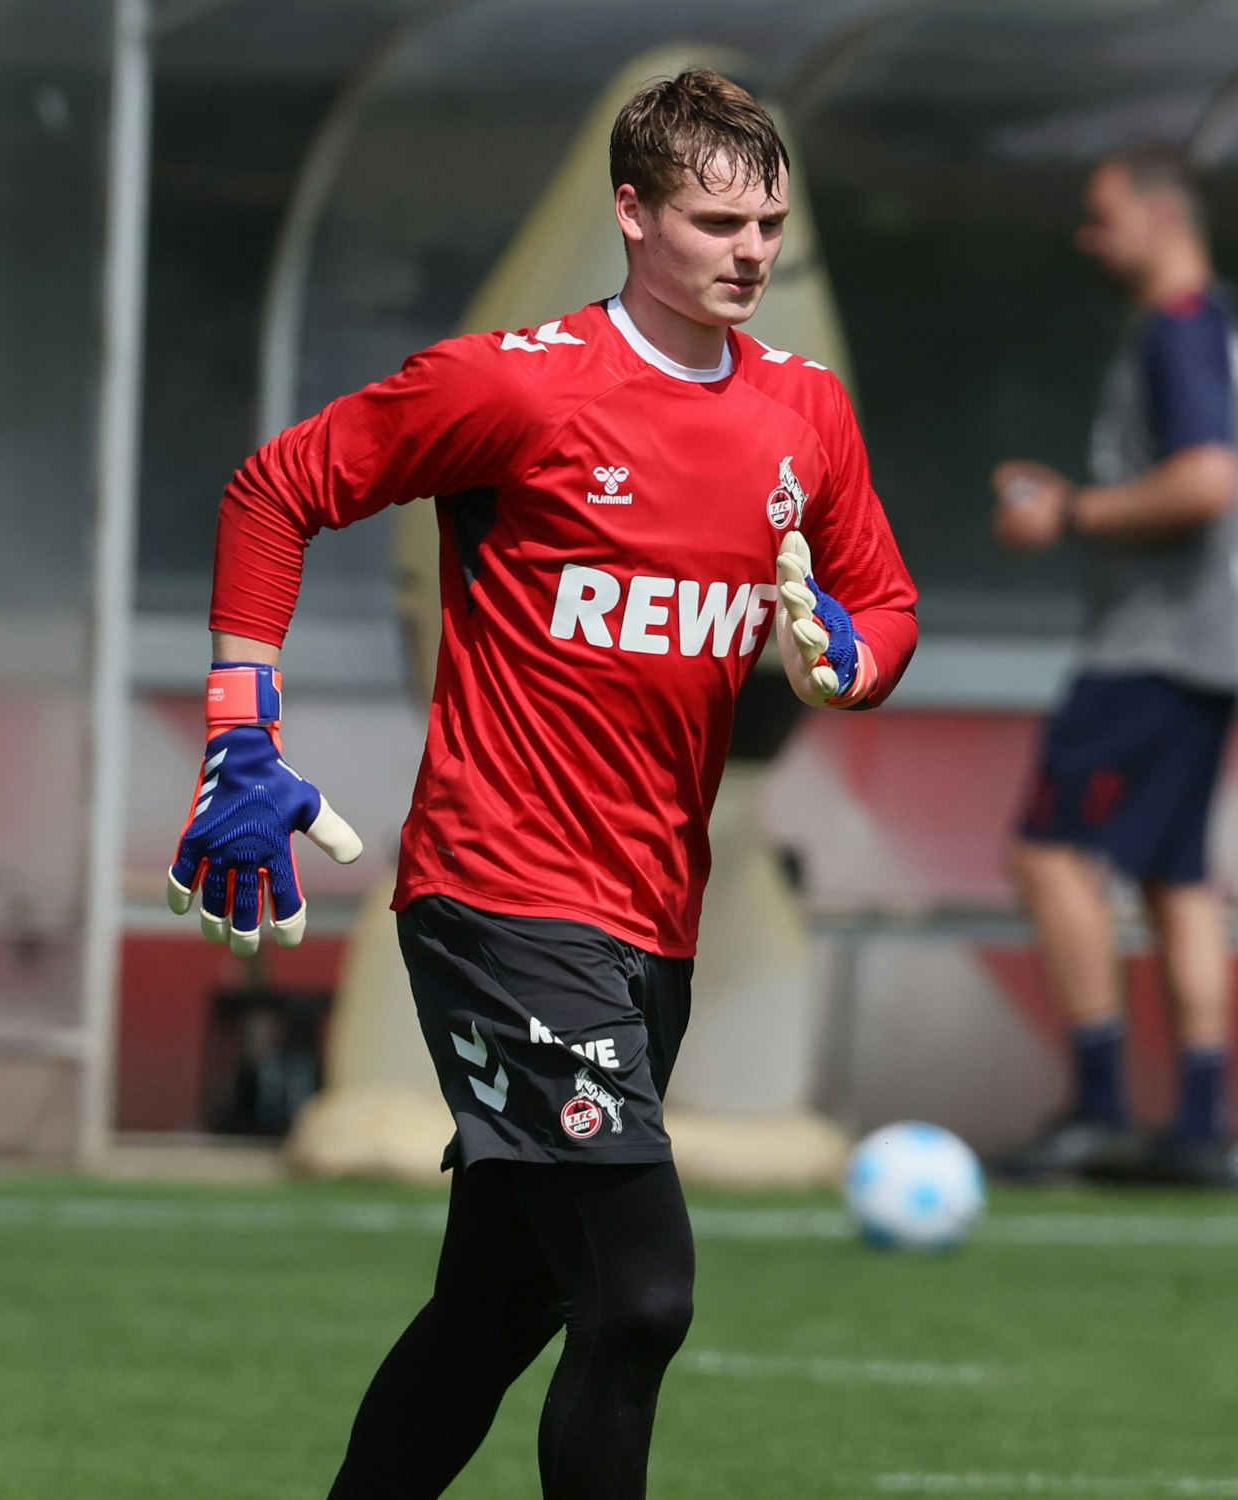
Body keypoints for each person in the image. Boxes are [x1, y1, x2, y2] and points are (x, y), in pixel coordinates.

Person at [164, 71, 917, 1500]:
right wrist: (239, 731)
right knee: (640, 1297)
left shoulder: (804, 413)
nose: (751, 250)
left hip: (652, 921)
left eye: (768, 222)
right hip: (498, 900)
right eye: (715, 221)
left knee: (498, 1309)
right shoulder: (512, 383)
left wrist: (845, 660)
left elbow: (882, 604)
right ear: (632, 215)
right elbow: (277, 489)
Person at [992, 147, 1238, 1188]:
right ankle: (1192, 1126)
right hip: (1205, 646)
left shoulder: (1179, 332)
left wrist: (1067, 513)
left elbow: (1203, 481)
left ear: (1155, 214)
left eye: (1100, 218)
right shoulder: (1213, 324)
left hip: (1154, 645)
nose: (1087, 240)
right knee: (1174, 876)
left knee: (1046, 854)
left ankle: (1095, 1109)